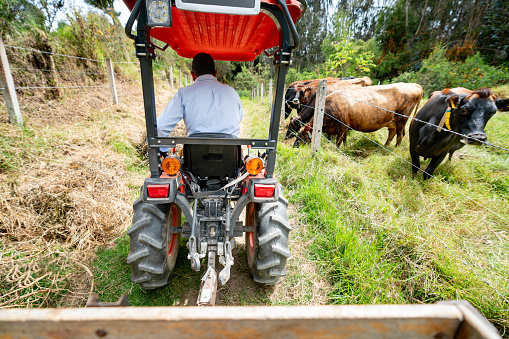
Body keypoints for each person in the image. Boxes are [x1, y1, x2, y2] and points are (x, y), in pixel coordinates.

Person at [157, 53, 243, 155]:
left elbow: (161, 126)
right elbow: (239, 118)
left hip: (195, 158)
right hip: (230, 157)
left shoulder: (184, 94)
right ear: (215, 73)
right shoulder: (231, 92)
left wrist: (163, 150)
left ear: (193, 75)